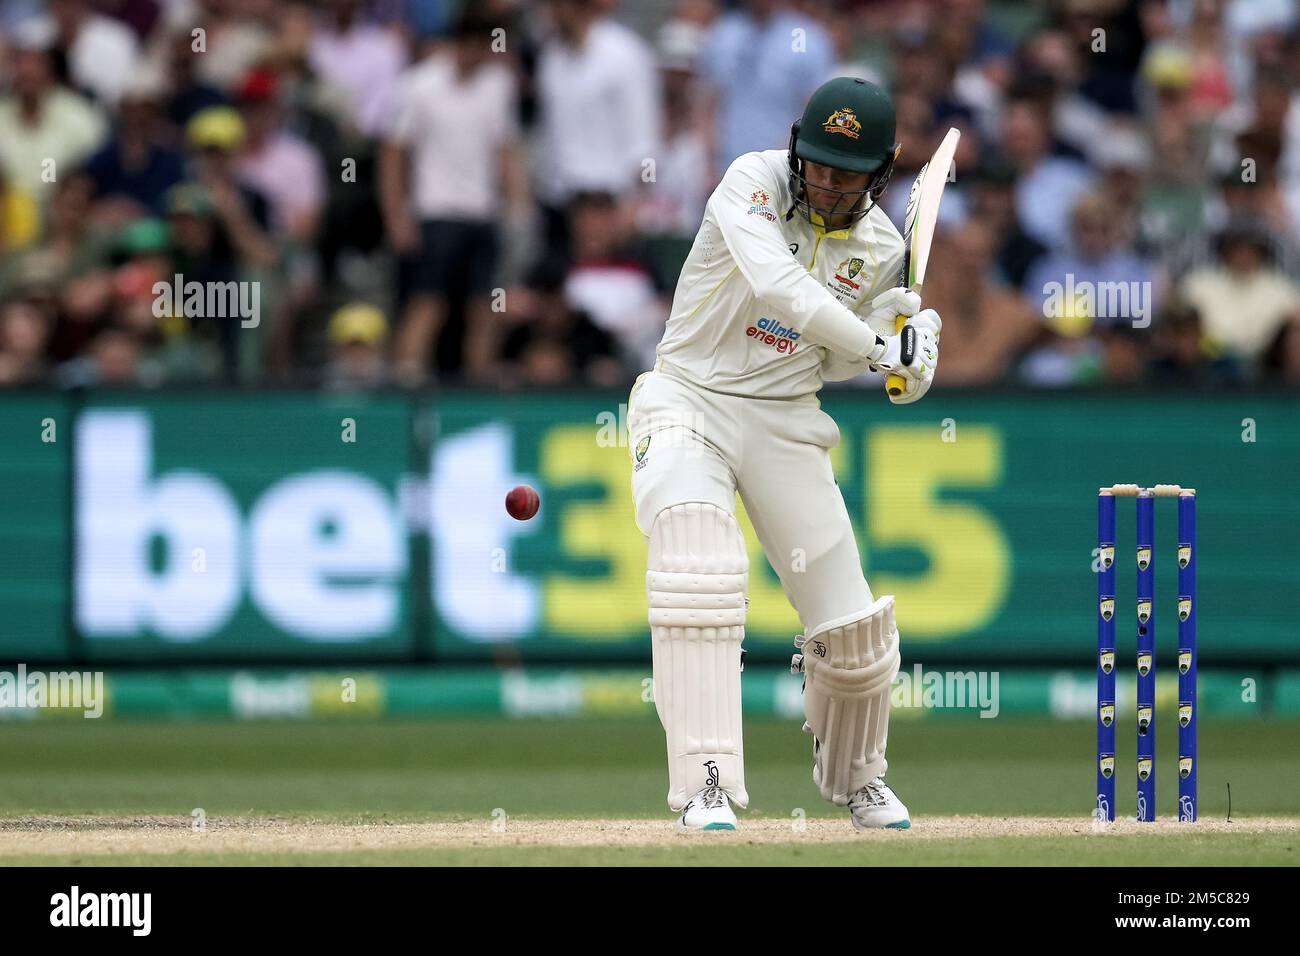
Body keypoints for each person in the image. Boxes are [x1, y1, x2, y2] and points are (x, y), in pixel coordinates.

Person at [626, 77, 941, 832]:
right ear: (799, 149)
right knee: (699, 573)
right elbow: (781, 287)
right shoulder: (751, 181)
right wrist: (876, 346)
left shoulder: (882, 247)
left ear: (881, 174)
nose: (828, 184)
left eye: (848, 172)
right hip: (688, 398)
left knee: (854, 630)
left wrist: (908, 357)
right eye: (820, 163)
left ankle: (860, 780)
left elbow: (833, 363)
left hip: (784, 419)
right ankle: (705, 785)